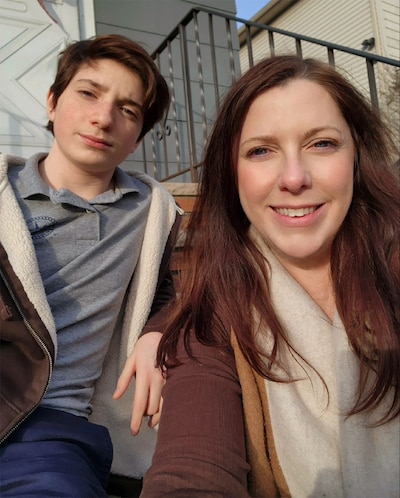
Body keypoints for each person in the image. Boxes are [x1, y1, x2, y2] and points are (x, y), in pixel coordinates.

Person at [141, 55, 400, 497]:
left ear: (358, 156)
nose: (294, 178)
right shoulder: (212, 322)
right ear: (232, 172)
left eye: (321, 144)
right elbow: (190, 474)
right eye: (261, 150)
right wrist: (158, 329)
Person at [0, 34, 182, 497]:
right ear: (52, 102)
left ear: (138, 134)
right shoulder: (5, 193)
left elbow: (178, 287)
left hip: (48, 428)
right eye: (88, 93)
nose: (103, 118)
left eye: (128, 110)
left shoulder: (150, 211)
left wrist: (158, 330)